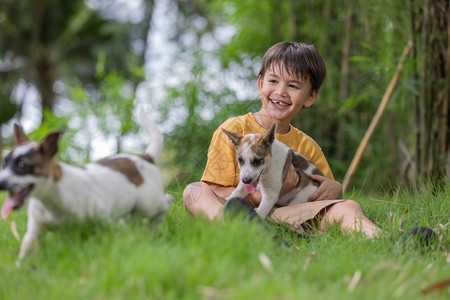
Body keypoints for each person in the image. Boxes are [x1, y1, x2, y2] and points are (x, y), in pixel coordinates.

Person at [183, 41, 382, 238]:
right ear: (261, 83)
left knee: (348, 207)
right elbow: (216, 189)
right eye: (273, 81)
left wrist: (335, 188)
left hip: (290, 215)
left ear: (310, 97)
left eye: (293, 85)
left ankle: (386, 239)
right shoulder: (235, 130)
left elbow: (321, 197)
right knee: (195, 191)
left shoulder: (308, 146)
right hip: (242, 211)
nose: (280, 92)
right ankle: (235, 231)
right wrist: (266, 194)